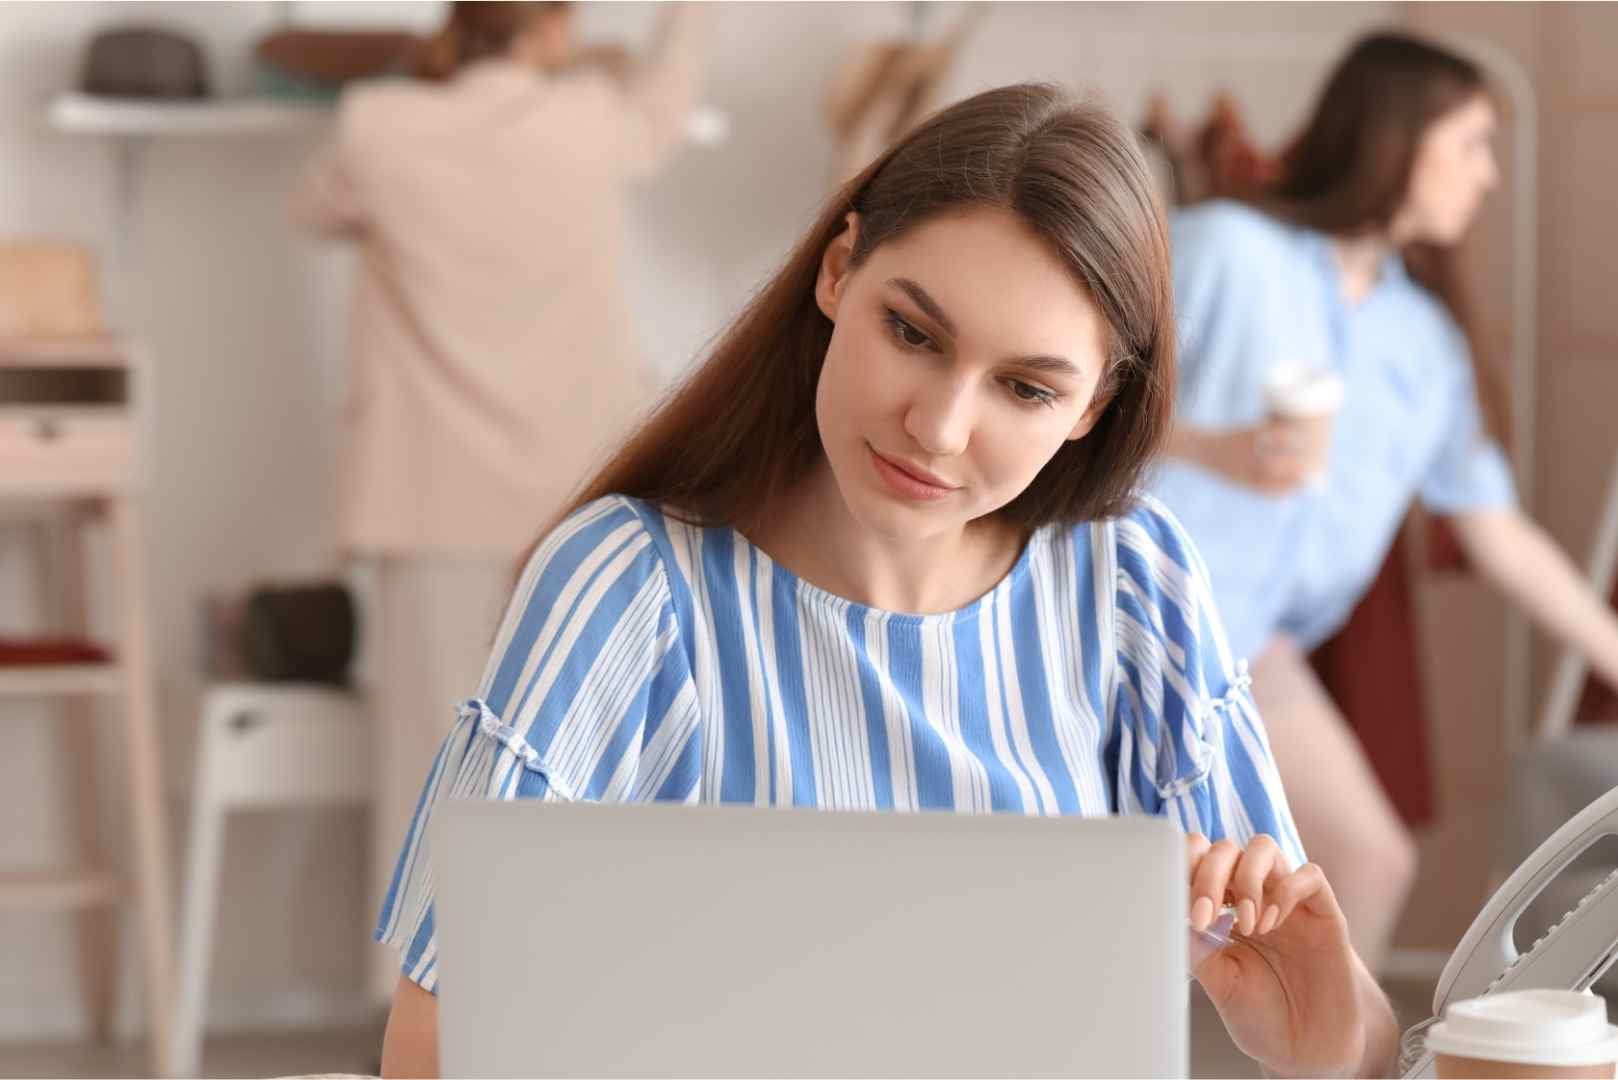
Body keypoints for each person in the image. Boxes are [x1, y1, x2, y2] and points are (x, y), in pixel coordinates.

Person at [372, 83, 1399, 1078]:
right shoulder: (629, 586)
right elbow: (431, 1047)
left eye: (1027, 388)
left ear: (1091, 408)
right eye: (912, 333)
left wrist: (1323, 1042)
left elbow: (1352, 1042)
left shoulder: (1131, 580)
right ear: (836, 272)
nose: (939, 427)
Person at [1153, 31, 1618, 973]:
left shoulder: (1424, 340)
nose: (1487, 177)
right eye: (1472, 145)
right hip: (1129, 617)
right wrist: (1214, 448)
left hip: (1249, 648)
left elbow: (1496, 533)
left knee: (1366, 857)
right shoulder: (1226, 251)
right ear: (1398, 141)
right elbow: (1069, 397)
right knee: (1134, 877)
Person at [290, 1, 705, 1002]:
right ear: (553, 29)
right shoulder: (592, 120)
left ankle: (415, 1024)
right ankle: (561, 1008)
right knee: (582, 769)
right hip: (580, 499)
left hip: (430, 500)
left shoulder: (377, 124)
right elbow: (667, 100)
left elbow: (311, 210)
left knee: (427, 779)